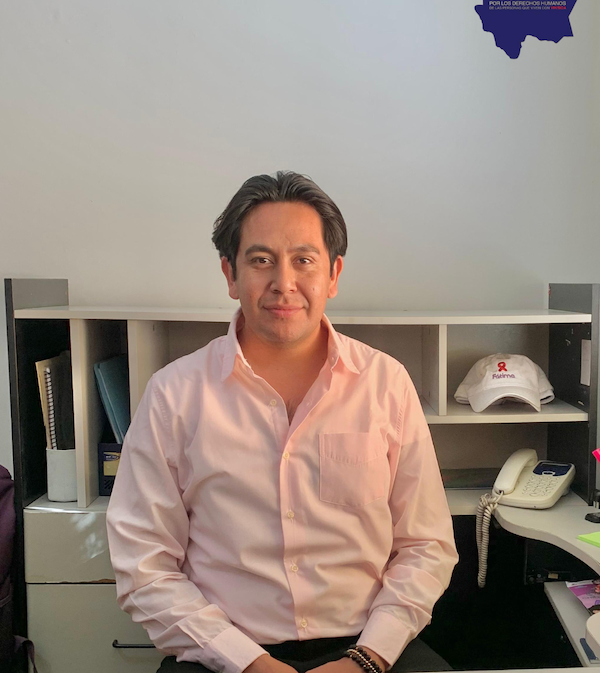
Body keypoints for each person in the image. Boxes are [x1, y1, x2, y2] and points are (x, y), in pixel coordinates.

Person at [106, 171, 458, 673]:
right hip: (223, 652)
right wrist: (247, 662)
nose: (284, 283)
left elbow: (426, 545)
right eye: (261, 260)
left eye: (303, 260)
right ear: (230, 274)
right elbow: (144, 564)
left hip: (365, 647)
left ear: (333, 274)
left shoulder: (386, 384)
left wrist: (368, 656)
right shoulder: (173, 395)